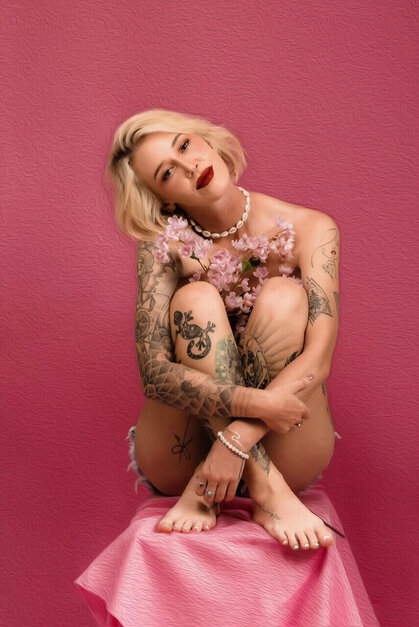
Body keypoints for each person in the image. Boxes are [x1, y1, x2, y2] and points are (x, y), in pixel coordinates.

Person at [106, 108, 343, 553]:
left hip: (284, 444)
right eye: (167, 173)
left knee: (285, 296)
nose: (188, 165)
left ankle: (248, 475)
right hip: (183, 453)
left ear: (207, 140)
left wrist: (234, 441)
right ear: (165, 200)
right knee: (195, 300)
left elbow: (320, 357)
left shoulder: (311, 228)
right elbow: (154, 373)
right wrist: (256, 403)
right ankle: (267, 491)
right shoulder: (164, 243)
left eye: (184, 145)